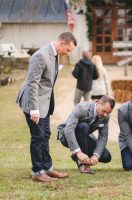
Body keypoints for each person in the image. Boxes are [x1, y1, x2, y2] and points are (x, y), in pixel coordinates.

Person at [16, 32, 77, 182]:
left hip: (45, 103)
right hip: (34, 103)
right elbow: (32, 83)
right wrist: (34, 109)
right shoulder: (40, 56)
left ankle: (47, 169)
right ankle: (37, 172)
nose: (68, 53)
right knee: (38, 136)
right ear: (62, 43)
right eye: (68, 50)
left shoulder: (54, 54)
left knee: (45, 135)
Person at [57, 95, 115, 174]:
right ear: (98, 103)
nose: (105, 115)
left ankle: (76, 155)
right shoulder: (81, 107)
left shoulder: (106, 116)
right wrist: (78, 152)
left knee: (106, 156)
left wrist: (96, 155)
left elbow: (103, 136)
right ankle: (84, 164)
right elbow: (69, 130)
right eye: (104, 111)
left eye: (108, 113)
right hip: (66, 136)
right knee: (84, 126)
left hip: (84, 137)